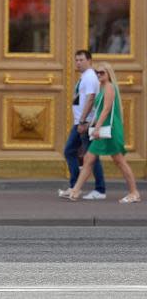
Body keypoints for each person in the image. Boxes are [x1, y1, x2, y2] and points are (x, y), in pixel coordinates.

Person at [67, 63, 140, 204]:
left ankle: (134, 192)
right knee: (89, 158)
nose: (99, 75)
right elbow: (100, 111)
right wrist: (91, 125)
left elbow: (106, 110)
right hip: (103, 129)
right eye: (97, 73)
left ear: (108, 74)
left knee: (119, 161)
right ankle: (75, 190)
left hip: (109, 130)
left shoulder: (109, 87)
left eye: (102, 72)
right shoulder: (102, 88)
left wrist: (97, 128)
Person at [59, 50, 106, 200]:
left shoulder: (90, 77)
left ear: (90, 61)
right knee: (78, 153)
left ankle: (98, 189)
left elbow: (91, 99)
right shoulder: (85, 77)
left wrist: (83, 121)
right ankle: (75, 187)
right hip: (80, 122)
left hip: (85, 123)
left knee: (87, 156)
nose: (78, 63)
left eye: (81, 60)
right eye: (77, 60)